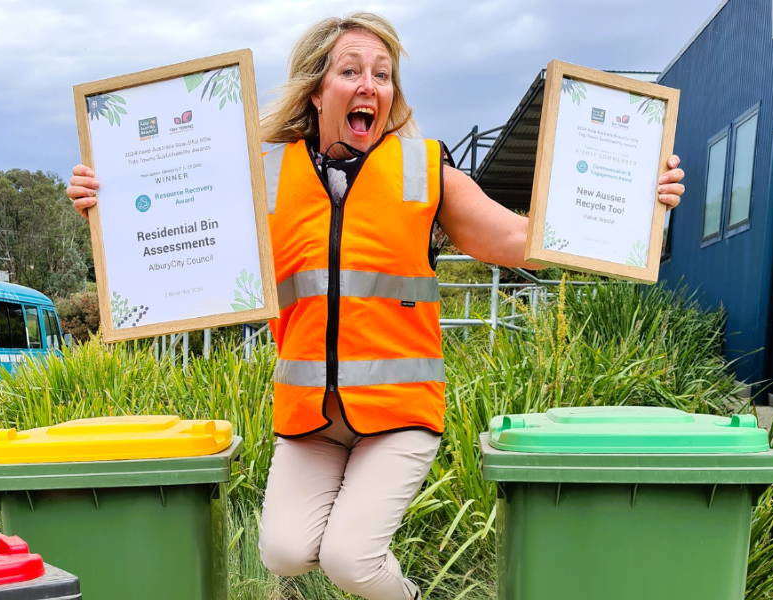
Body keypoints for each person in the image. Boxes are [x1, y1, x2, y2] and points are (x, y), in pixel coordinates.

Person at [67, 12, 685, 600]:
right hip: (310, 415)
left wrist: (637, 198)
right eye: (351, 70)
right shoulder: (265, 175)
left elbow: (519, 238)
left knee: (348, 557)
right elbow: (177, 220)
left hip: (400, 410)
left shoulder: (424, 169)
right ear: (316, 90)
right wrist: (108, 198)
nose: (370, 85)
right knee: (283, 552)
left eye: (382, 73)